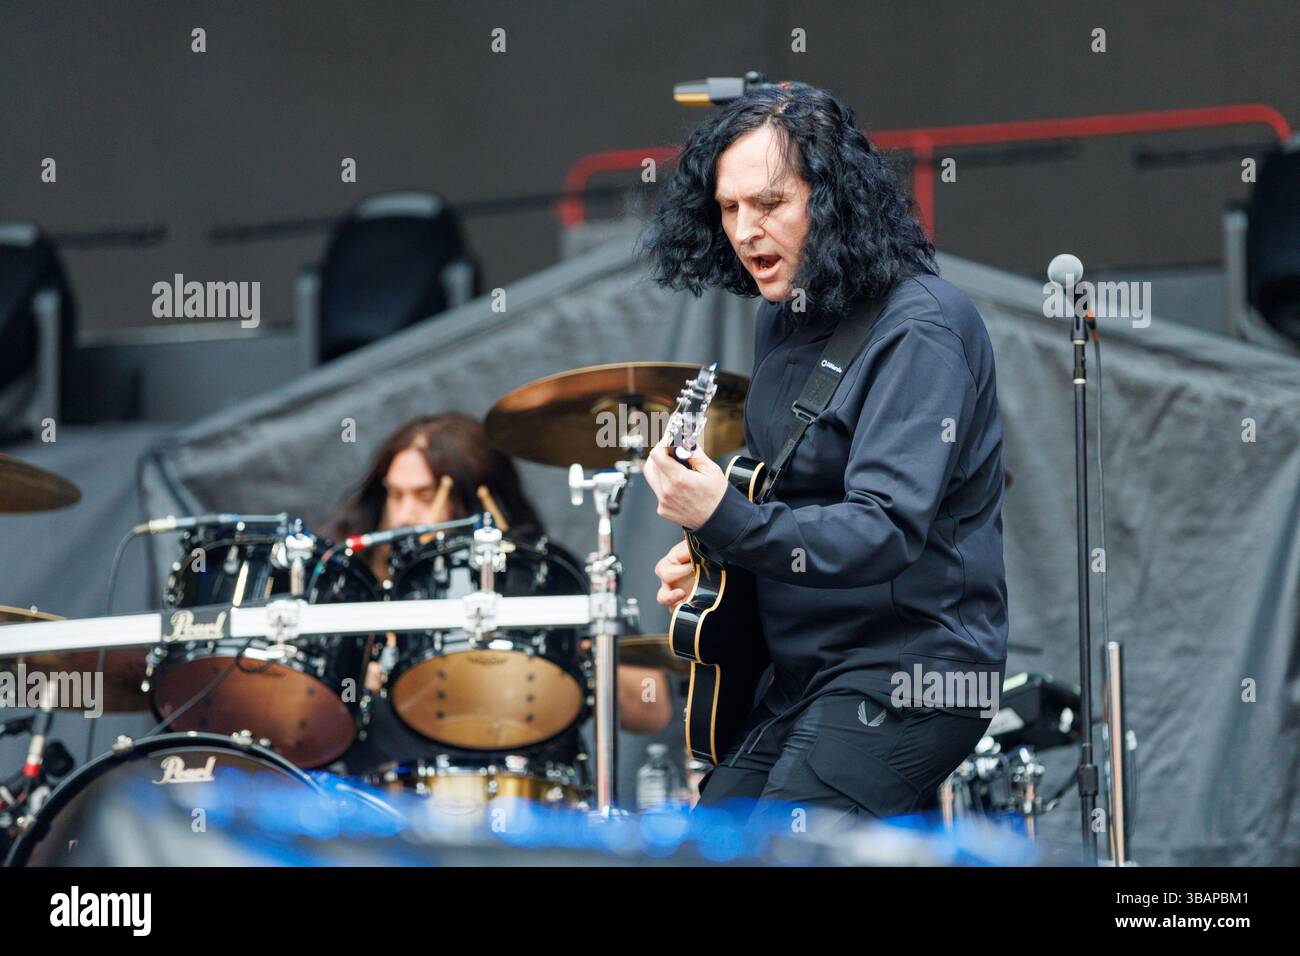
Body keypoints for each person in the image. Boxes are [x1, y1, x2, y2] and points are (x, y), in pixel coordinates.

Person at [641, 84, 1008, 823]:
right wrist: (718, 552)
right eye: (729, 208)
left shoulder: (922, 327)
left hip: (910, 670)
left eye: (770, 204)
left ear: (832, 200)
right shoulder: (781, 318)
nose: (746, 231)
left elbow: (884, 527)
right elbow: (792, 496)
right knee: (707, 844)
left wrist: (729, 520)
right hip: (805, 670)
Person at [326, 413, 672, 776]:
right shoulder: (357, 584)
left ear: (478, 500)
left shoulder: (541, 578)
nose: (405, 516)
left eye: (425, 496)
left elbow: (653, 709)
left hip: (527, 799)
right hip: (387, 805)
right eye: (395, 495)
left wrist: (577, 659)